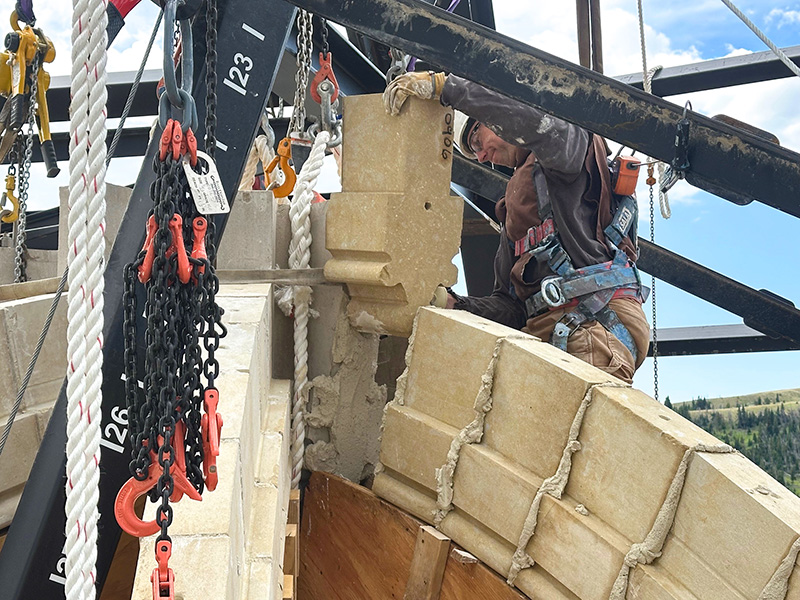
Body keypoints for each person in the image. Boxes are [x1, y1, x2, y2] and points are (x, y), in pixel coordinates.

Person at [383, 71, 650, 384]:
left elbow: (537, 125)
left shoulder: (566, 146)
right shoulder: (518, 205)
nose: (482, 156)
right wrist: (455, 304)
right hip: (557, 329)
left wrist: (448, 88)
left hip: (591, 322)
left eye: (477, 141)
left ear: (495, 119)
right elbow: (512, 307)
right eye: (473, 152)